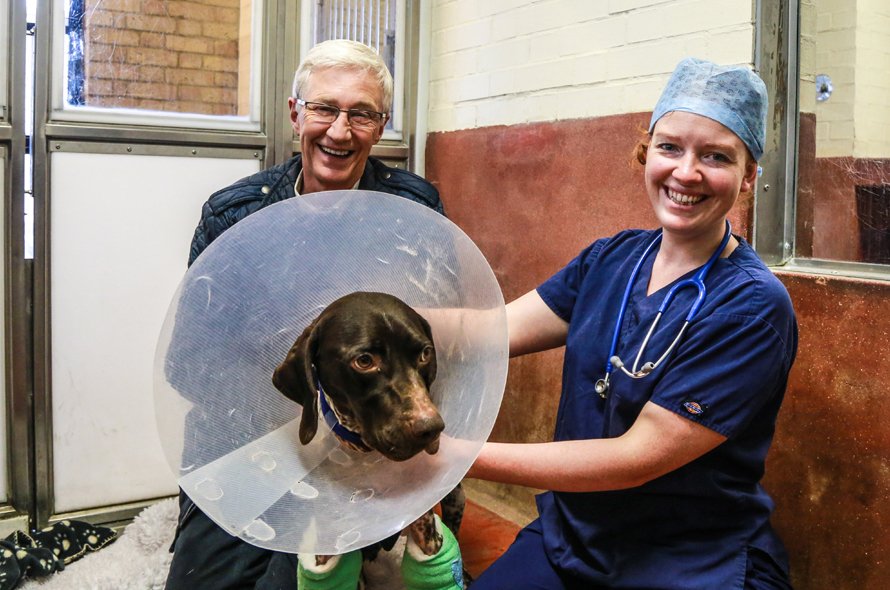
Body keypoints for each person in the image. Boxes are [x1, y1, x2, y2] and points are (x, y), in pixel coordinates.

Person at [467, 57, 798, 589]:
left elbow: (632, 460)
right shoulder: (612, 258)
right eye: (670, 147)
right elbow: (488, 332)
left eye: (715, 156)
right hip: (573, 537)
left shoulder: (752, 307)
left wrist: (452, 458)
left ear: (749, 176)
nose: (686, 173)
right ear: (646, 153)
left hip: (686, 559)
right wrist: (370, 323)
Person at [165, 39, 445, 590]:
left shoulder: (414, 210)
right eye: (324, 109)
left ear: (381, 124)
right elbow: (189, 365)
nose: (340, 131)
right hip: (248, 440)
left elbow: (439, 339)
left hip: (374, 434)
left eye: (361, 114)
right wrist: (302, 416)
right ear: (296, 115)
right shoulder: (234, 216)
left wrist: (376, 433)